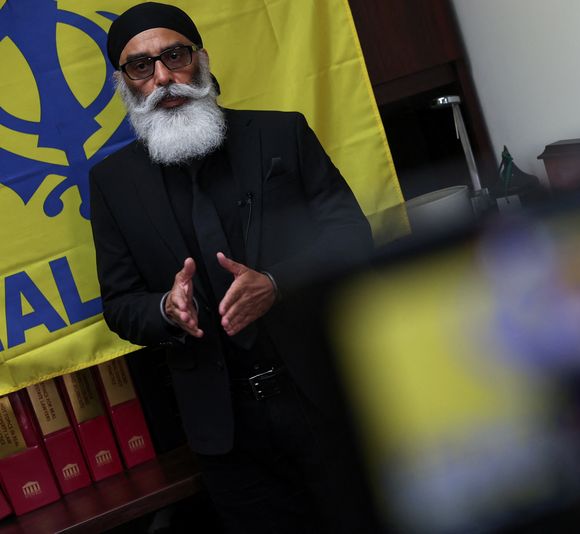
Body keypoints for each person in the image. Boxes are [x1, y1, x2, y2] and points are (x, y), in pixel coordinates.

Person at [89, 3, 374, 532]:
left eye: (175, 56)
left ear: (200, 59)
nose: (163, 78)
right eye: (141, 66)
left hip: (323, 400)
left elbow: (352, 238)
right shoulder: (113, 183)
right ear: (125, 83)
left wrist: (276, 283)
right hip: (226, 432)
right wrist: (166, 310)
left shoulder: (280, 134)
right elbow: (120, 305)